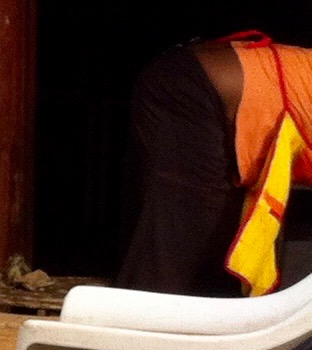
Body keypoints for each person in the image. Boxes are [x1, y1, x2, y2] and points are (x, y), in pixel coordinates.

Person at [119, 33, 312, 296]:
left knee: (219, 253)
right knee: (182, 246)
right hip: (192, 90)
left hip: (206, 94)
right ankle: (133, 327)